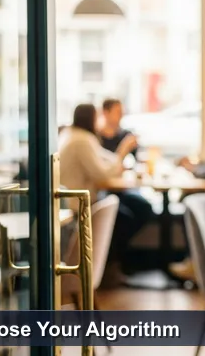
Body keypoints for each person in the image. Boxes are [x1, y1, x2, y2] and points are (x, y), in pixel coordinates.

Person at [58, 104, 155, 283]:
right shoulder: (82, 140)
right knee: (122, 217)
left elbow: (106, 159)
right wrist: (123, 150)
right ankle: (109, 265)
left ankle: (111, 264)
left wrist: (119, 159)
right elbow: (102, 174)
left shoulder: (75, 135)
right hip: (78, 203)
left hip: (80, 198)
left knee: (140, 207)